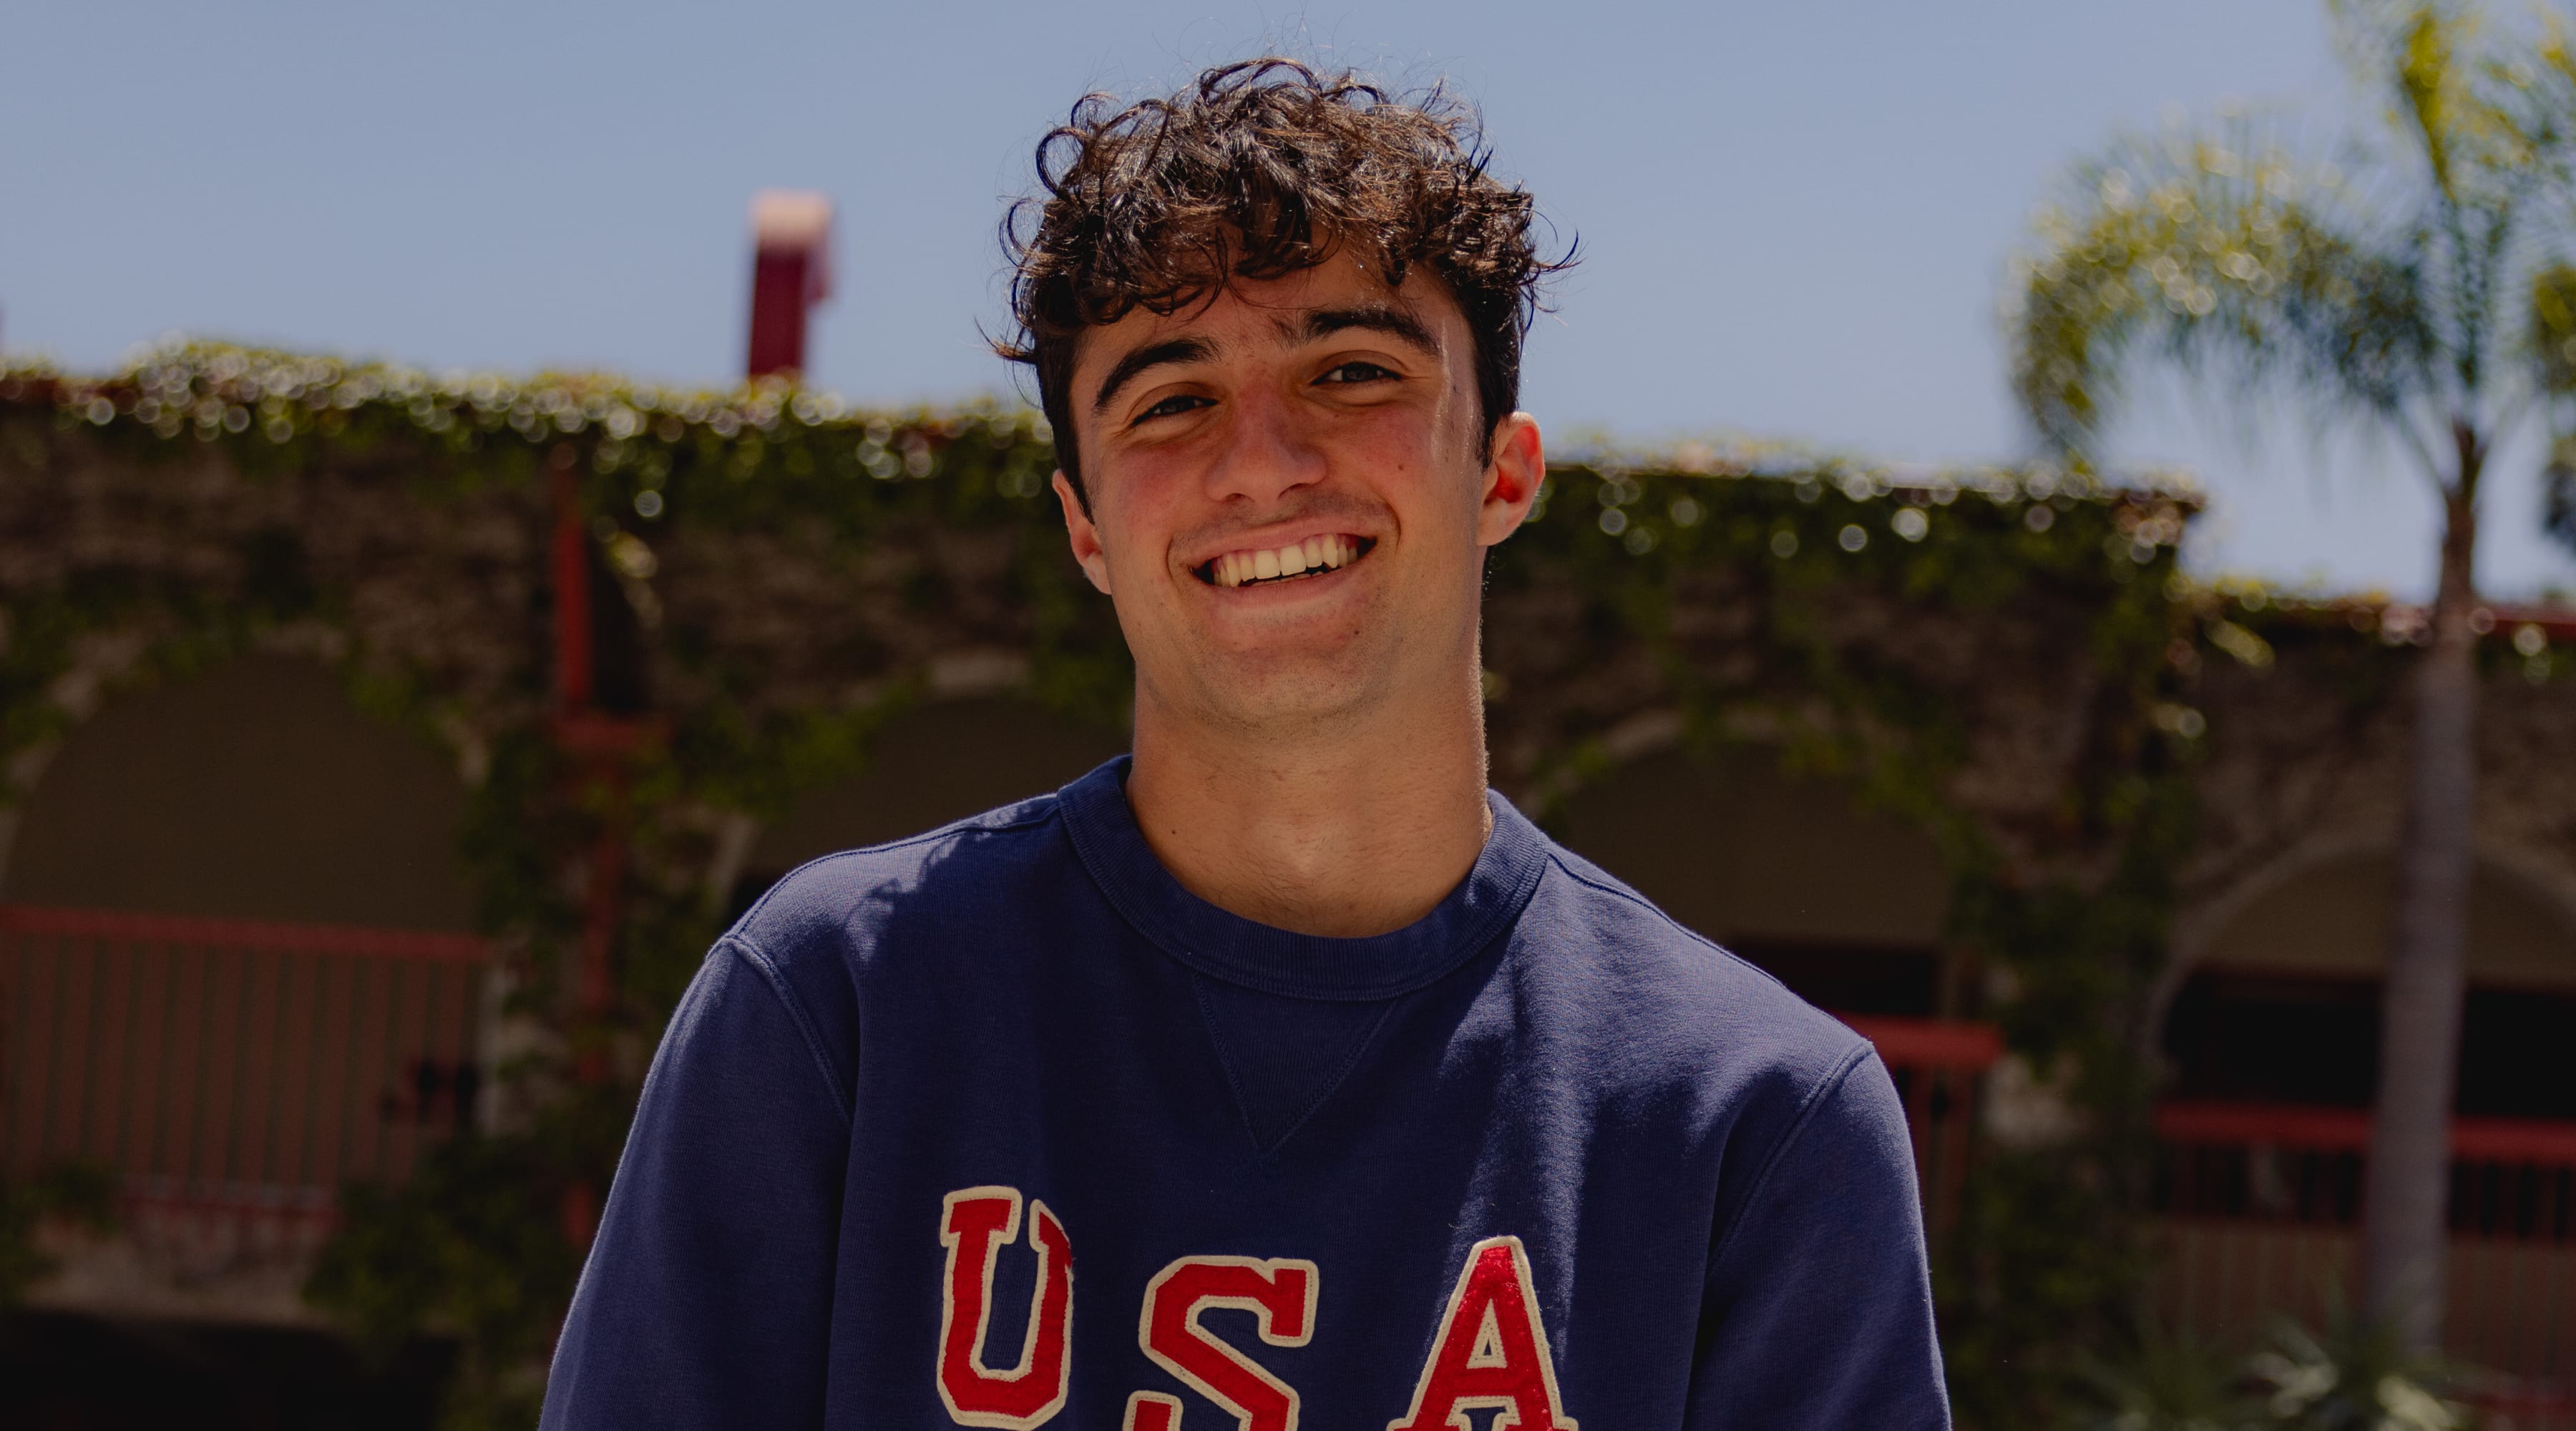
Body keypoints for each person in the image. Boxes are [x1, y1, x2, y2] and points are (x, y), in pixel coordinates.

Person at [541, 58, 1950, 1430]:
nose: (1262, 463)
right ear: (1088, 524)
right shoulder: (836, 1005)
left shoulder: (1752, 1123)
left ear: (1502, 472)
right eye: (1172, 399)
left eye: (1351, 372)